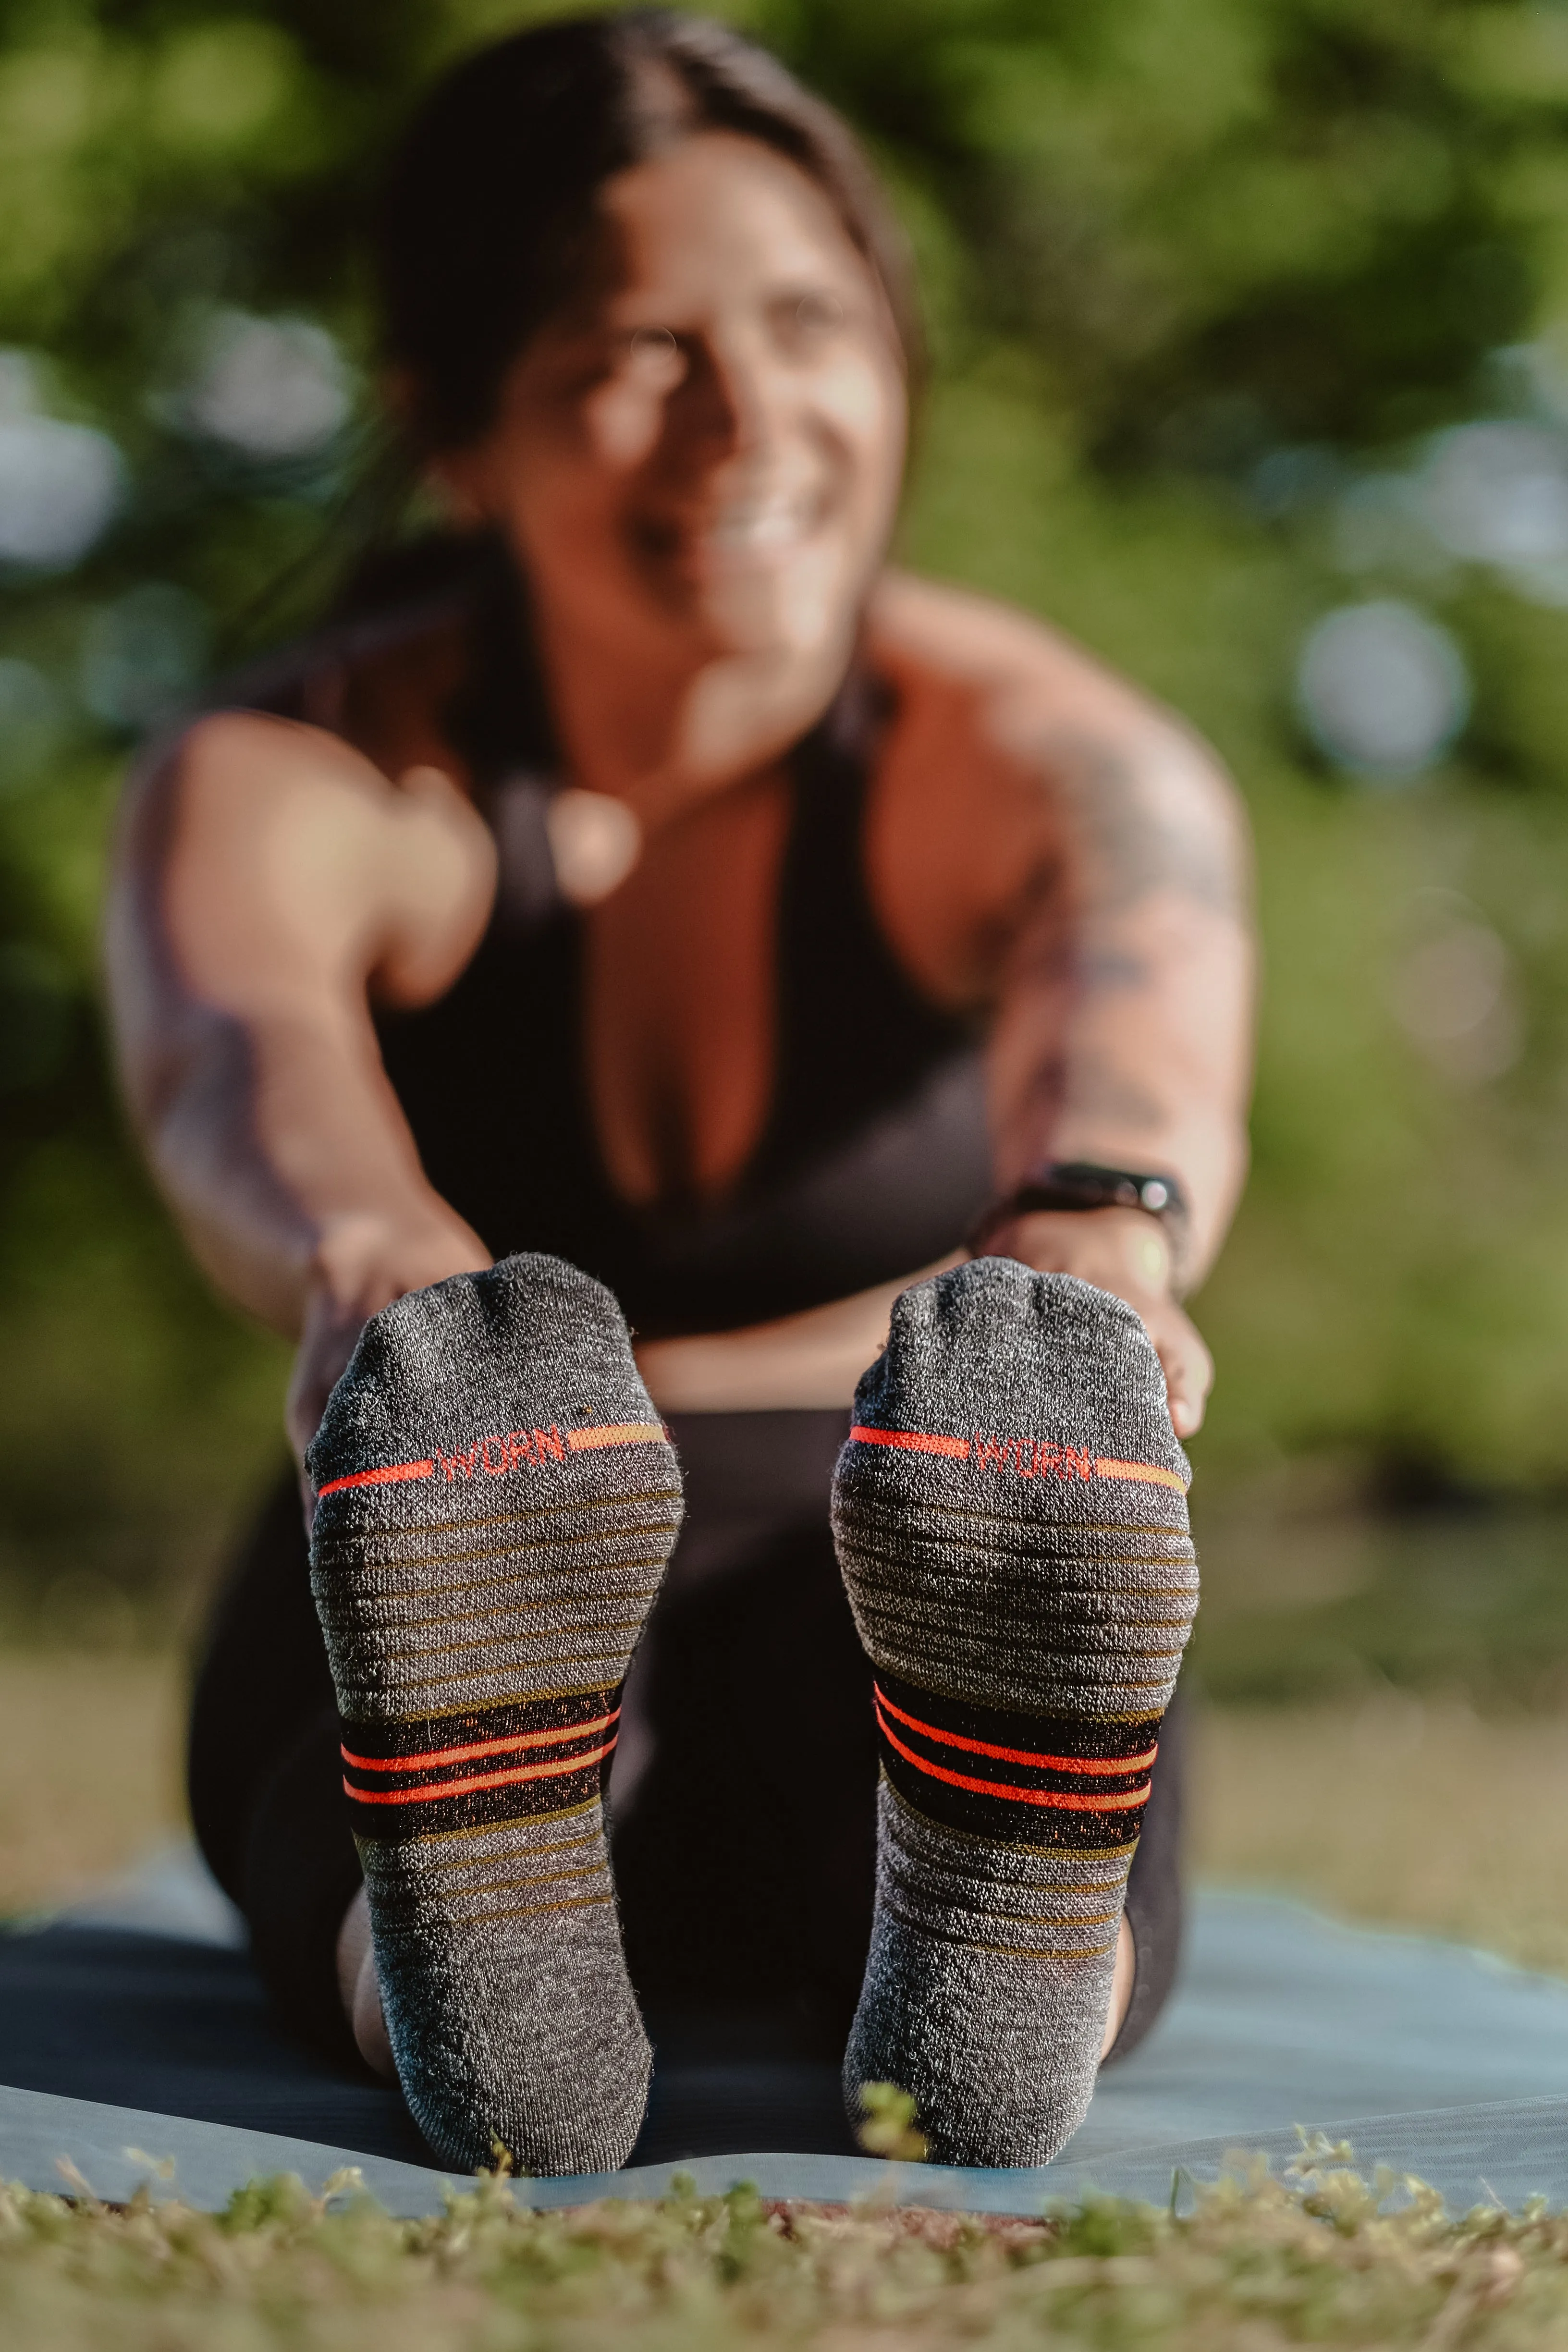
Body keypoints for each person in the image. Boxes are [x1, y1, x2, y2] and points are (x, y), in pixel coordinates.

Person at [106, 10, 1252, 2168]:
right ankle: (471, 1970)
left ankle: (1004, 1949)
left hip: (908, 1522)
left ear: (899, 355)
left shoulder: (1030, 753)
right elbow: (239, 1061)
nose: (746, 422)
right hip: (459, 1513)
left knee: (957, 1798)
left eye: (811, 320)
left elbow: (1140, 997)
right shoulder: (314, 777)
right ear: (456, 426)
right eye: (634, 351)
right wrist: (390, 1290)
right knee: (404, 1750)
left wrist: (1101, 1233)